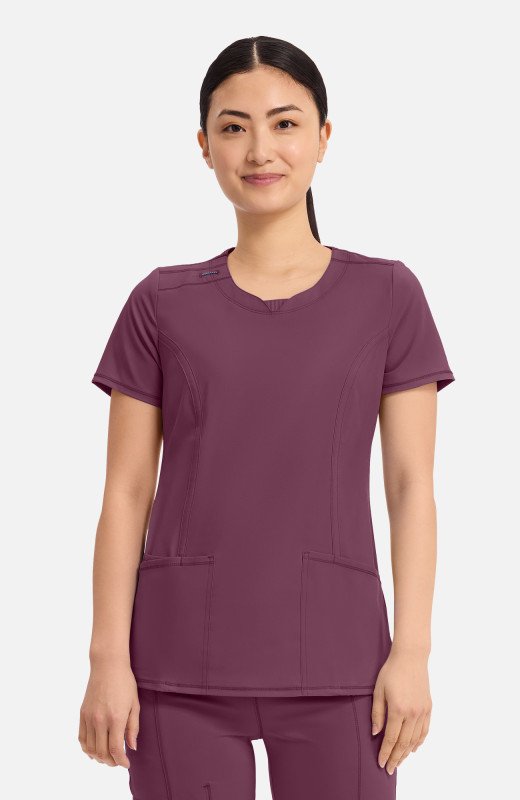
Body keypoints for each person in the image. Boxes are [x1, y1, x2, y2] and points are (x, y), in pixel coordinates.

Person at [78, 35, 455, 800]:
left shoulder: (388, 296)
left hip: (343, 664)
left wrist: (412, 653)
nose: (259, 149)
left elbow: (411, 486)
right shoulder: (160, 303)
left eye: (285, 123)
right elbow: (125, 491)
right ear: (204, 146)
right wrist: (106, 661)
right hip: (176, 665)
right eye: (233, 126)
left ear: (323, 136)